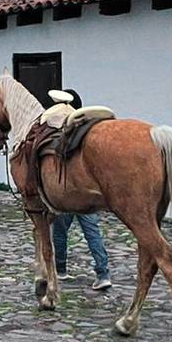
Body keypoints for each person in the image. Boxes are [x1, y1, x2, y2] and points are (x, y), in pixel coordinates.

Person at [52, 88, 112, 290]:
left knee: (59, 232)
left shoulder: (60, 132)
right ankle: (103, 273)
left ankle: (60, 269)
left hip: (67, 191)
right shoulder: (87, 131)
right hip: (86, 191)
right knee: (92, 232)